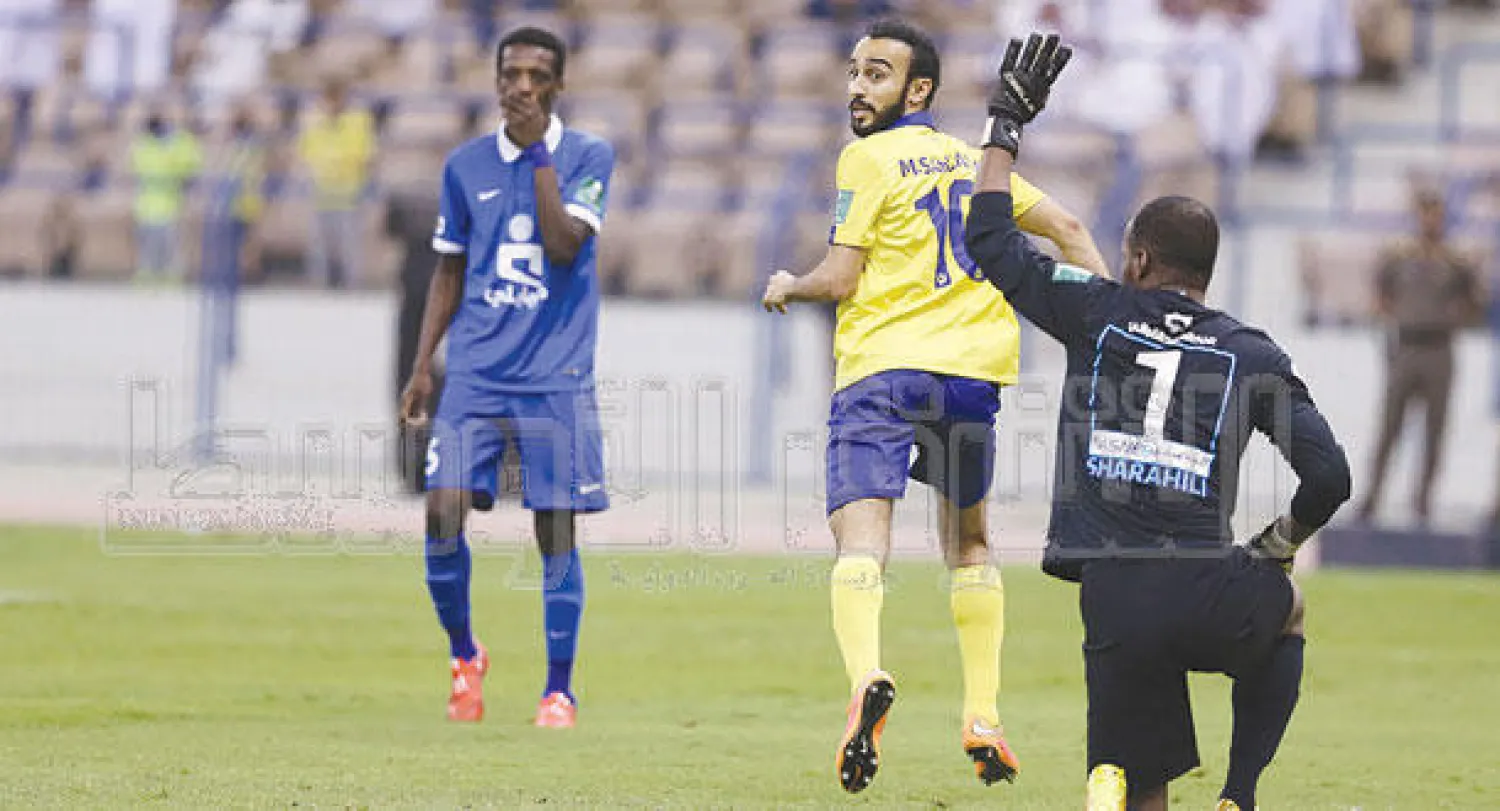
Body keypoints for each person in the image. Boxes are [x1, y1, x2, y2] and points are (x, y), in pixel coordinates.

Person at [962, 34, 1352, 810]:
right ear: (1204, 274)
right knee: (1292, 609)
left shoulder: (1097, 313)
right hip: (1207, 580)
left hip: (1112, 590)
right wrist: (1274, 547)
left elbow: (990, 239)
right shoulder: (1250, 350)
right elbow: (1331, 476)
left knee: (1138, 787)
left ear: (1136, 261)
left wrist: (1005, 123)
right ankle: (1240, 794)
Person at [759, 17, 1109, 795]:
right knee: (971, 543)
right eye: (854, 71)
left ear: (918, 88)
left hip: (884, 368)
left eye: (877, 74)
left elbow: (842, 276)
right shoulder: (973, 162)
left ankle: (866, 678)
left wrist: (790, 282)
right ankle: (983, 714)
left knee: (861, 533)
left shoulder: (866, 156)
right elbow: (1071, 229)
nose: (857, 86)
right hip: (970, 377)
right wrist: (1109, 321)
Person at [399, 26, 615, 730]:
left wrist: (540, 151)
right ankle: (465, 654)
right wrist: (422, 365)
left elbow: (561, 244)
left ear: (557, 86)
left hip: (556, 374)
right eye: (511, 73)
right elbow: (450, 267)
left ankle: (559, 689)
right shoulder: (463, 166)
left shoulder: (588, 155)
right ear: (495, 81)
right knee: (441, 510)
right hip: (477, 372)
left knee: (554, 530)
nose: (521, 85)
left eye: (536, 75)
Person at [1356, 186, 1484, 526]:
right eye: (1425, 213)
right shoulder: (1400, 258)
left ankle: (1422, 501)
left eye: (1436, 213)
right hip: (1407, 345)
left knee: (1434, 430)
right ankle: (1372, 497)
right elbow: (1380, 293)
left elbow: (1475, 303)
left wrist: (1454, 317)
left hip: (1440, 347)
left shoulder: (1455, 261)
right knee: (1389, 426)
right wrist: (1393, 316)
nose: (1430, 220)